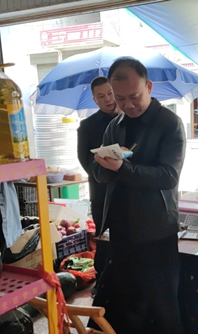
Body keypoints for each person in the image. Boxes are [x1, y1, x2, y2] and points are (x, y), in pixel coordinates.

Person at [91, 58, 185, 334]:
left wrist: (124, 168)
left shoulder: (169, 123)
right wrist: (102, 166)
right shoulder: (115, 124)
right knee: (128, 299)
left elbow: (168, 176)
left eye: (134, 96)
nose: (128, 105)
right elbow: (100, 174)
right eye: (120, 98)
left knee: (163, 304)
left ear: (148, 87)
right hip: (121, 228)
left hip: (156, 229)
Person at [77, 76, 121, 294]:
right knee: (103, 235)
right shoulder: (87, 126)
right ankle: (102, 283)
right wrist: (103, 172)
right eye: (101, 96)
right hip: (101, 191)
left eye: (111, 93)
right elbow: (85, 160)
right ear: (95, 100)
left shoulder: (130, 120)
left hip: (129, 188)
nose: (108, 99)